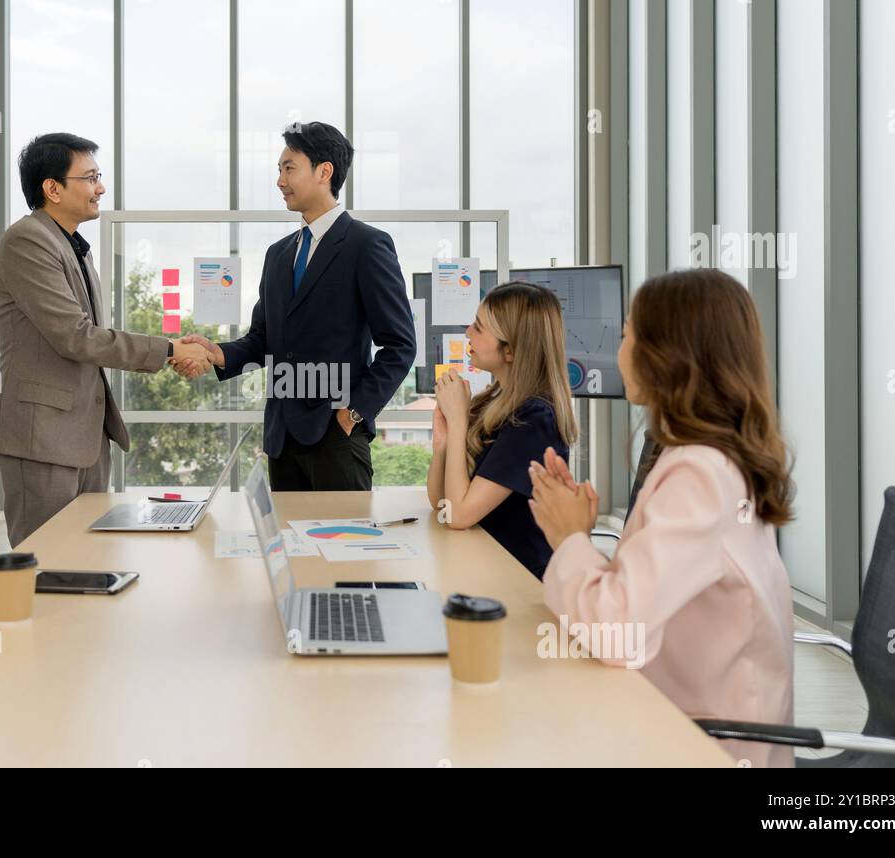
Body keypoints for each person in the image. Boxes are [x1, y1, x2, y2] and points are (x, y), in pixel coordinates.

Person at [528, 268, 796, 767]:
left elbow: (616, 631)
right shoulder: (705, 458)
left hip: (702, 742)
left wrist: (569, 540)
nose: (619, 348)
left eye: (628, 334)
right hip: (679, 716)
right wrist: (578, 536)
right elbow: (644, 595)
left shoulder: (700, 474)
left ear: (668, 358)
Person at [0, 132, 211, 545]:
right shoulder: (28, 240)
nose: (100, 188)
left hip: (84, 437)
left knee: (87, 557)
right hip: (44, 441)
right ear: (52, 189)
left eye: (99, 176)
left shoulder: (74, 247)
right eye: (89, 178)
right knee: (49, 563)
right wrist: (168, 350)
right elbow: (77, 337)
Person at [177, 121, 415, 490]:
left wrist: (354, 412)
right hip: (281, 438)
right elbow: (263, 340)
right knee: (286, 546)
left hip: (336, 437)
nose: (280, 180)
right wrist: (216, 353)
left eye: (289, 168)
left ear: (324, 172)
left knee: (342, 547)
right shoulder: (279, 255)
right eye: (279, 170)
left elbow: (400, 345)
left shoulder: (366, 246)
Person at [426, 282, 577, 578]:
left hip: (518, 581)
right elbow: (440, 503)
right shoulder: (493, 404)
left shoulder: (534, 420)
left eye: (479, 328)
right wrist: (442, 446)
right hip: (484, 567)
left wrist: (458, 424)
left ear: (510, 351)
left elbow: (458, 515)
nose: (468, 332)